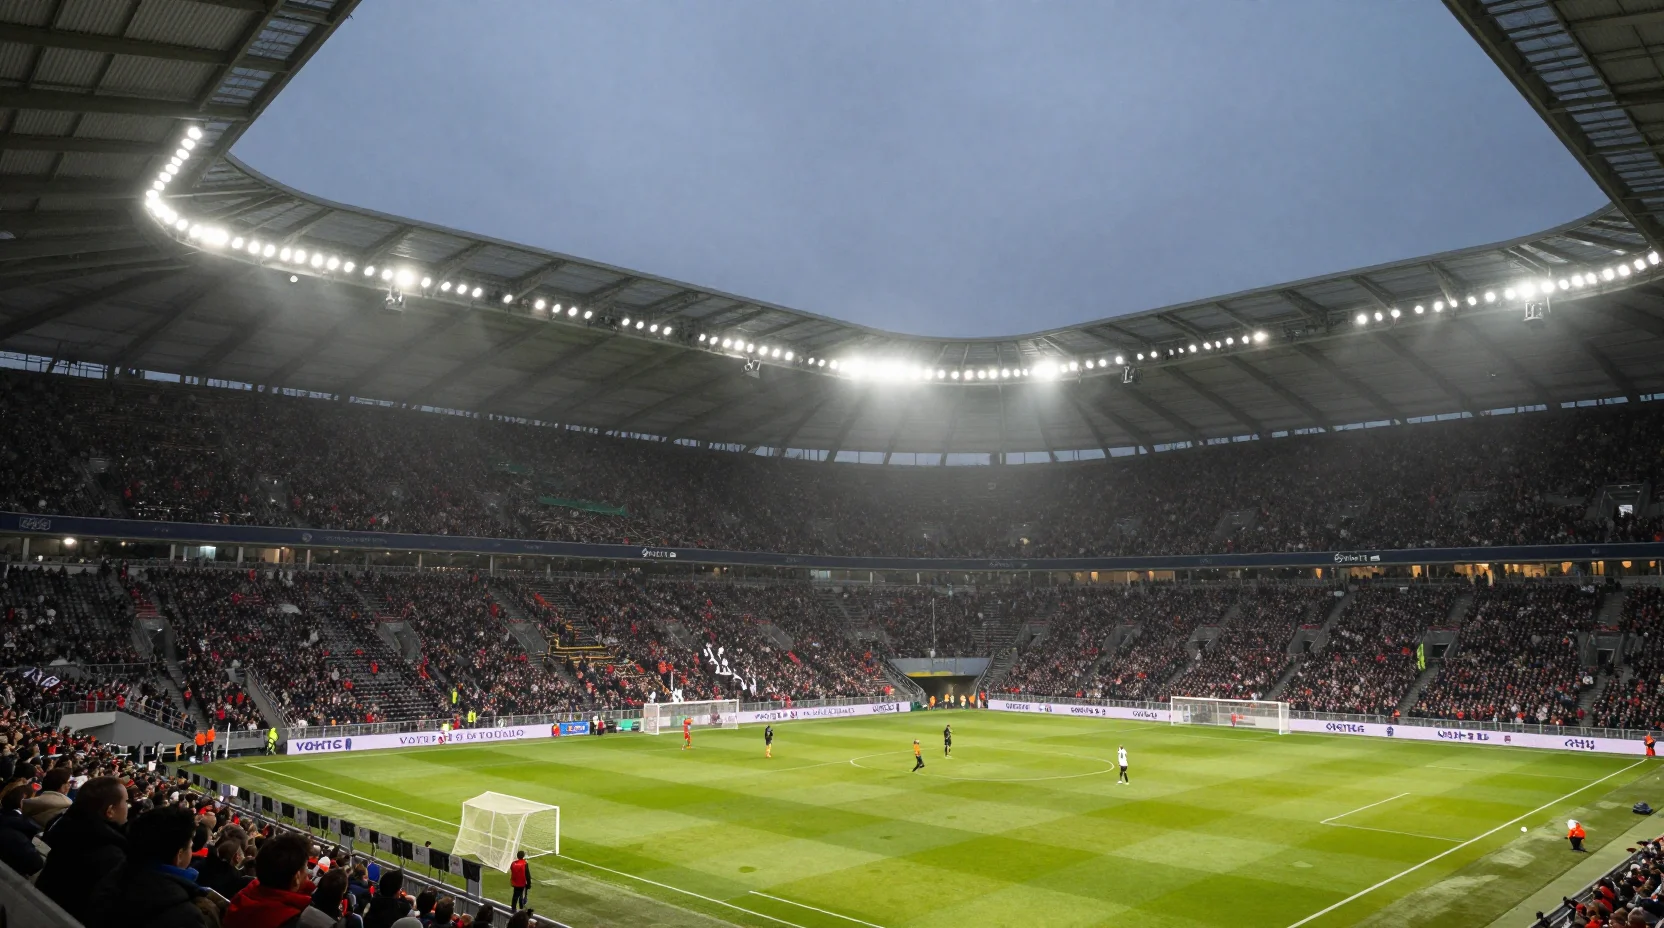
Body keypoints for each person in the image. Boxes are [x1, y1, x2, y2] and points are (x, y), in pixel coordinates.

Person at [86, 806, 212, 928]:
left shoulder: (112, 876)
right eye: (190, 846)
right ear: (179, 855)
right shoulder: (186, 916)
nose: (191, 850)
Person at [37, 775, 130, 923]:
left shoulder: (66, 829)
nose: (128, 806)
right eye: (125, 801)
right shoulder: (110, 856)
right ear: (110, 811)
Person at [223, 831, 337, 927]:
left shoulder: (240, 898)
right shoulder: (301, 921)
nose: (307, 873)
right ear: (296, 878)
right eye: (305, 867)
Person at [0, 781, 44, 876]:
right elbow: (36, 863)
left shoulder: (8, 819)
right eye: (33, 798)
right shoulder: (19, 830)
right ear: (22, 800)